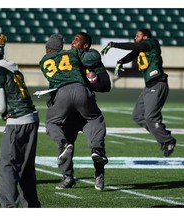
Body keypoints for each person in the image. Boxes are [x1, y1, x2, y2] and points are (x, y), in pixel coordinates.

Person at [39, 34, 108, 191]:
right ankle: (67, 177)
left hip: (82, 106)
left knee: (95, 136)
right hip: (73, 107)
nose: (72, 43)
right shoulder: (71, 55)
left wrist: (93, 80)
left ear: (85, 46)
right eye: (73, 40)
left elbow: (106, 85)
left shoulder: (82, 58)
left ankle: (99, 174)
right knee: (68, 142)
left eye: (77, 40)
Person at [0, 34, 40, 207]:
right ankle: (32, 206)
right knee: (26, 168)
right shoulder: (13, 69)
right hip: (31, 119)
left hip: (18, 123)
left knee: (7, 168)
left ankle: (9, 207)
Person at [101, 28, 176, 157]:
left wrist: (115, 45)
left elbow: (134, 46)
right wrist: (121, 62)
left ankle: (168, 141)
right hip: (149, 86)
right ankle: (160, 133)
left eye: (137, 36)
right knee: (137, 115)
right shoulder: (142, 48)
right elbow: (133, 53)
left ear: (145, 37)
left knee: (150, 117)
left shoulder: (152, 43)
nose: (135, 38)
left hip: (158, 84)